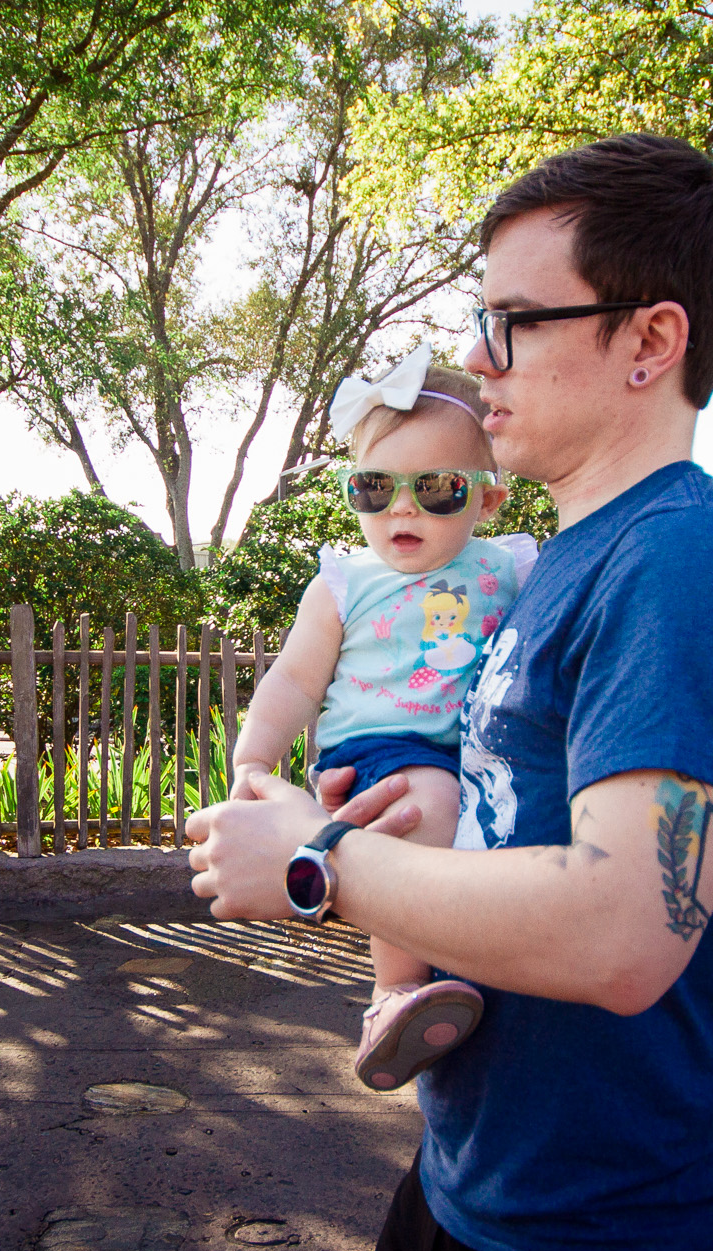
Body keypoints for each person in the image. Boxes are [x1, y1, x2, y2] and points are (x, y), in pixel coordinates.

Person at [185, 132, 713, 1251]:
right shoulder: (556, 564)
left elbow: (626, 929)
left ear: (648, 341)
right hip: (469, 1189)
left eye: (513, 321)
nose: (475, 359)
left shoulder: (682, 561)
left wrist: (318, 868)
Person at [228, 347, 534, 1091]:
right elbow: (296, 680)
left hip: (469, 747)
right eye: (375, 486)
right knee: (426, 810)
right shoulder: (343, 582)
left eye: (436, 488)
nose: (403, 507)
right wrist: (252, 763)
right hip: (380, 746)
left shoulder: (510, 568)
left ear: (487, 501)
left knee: (462, 824)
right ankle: (391, 992)